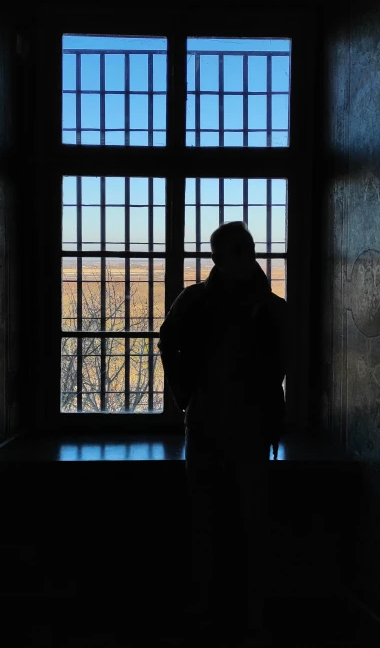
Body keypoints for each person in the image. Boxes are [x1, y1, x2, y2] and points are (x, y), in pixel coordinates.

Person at [158, 221, 288, 648]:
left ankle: (214, 614)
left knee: (221, 522)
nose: (244, 254)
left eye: (246, 247)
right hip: (230, 428)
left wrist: (186, 395)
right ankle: (247, 617)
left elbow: (167, 342)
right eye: (237, 248)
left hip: (216, 426)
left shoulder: (196, 302)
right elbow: (280, 365)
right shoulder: (272, 308)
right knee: (225, 523)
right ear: (216, 256)